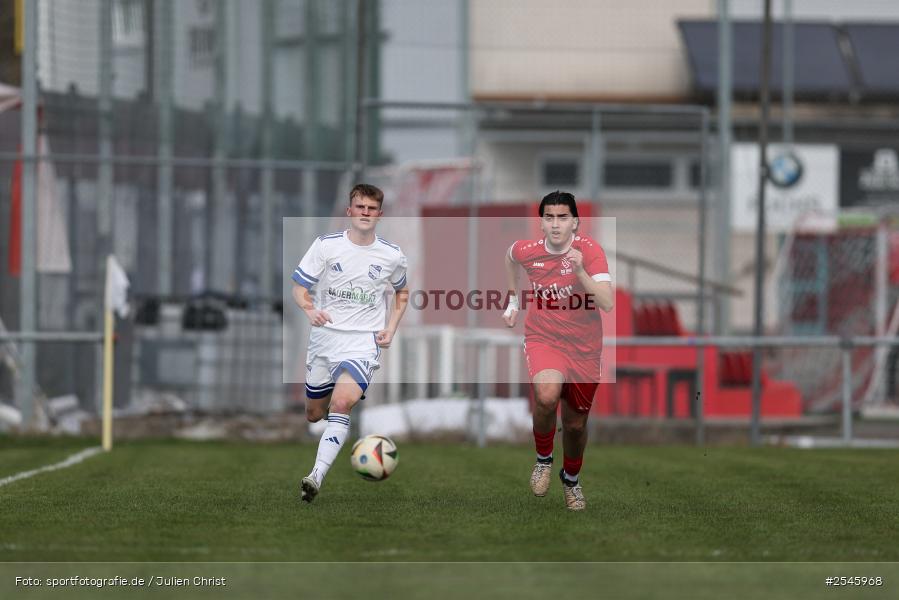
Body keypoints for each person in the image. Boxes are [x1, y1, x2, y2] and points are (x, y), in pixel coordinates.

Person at [291, 183, 409, 503]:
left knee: (342, 404)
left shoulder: (391, 255)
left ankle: (315, 477)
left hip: (363, 342)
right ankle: (331, 417)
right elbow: (299, 286)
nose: (365, 213)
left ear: (379, 215)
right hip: (325, 340)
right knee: (315, 414)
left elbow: (402, 293)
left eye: (371, 209)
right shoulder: (326, 246)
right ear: (350, 211)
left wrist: (391, 328)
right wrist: (310, 309)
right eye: (360, 207)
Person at [502, 191, 613, 511]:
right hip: (543, 338)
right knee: (547, 395)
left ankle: (571, 480)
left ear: (575, 222)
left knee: (576, 425)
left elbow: (606, 301)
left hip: (584, 348)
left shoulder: (589, 252)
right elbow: (509, 257)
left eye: (562, 217)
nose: (555, 224)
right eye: (549, 217)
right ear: (541, 223)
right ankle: (543, 460)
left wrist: (580, 272)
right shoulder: (528, 250)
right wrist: (511, 301)